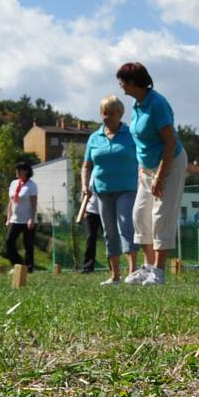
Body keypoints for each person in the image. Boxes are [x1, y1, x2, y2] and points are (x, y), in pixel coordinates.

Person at [116, 62, 188, 286]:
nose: (120, 86)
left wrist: (159, 176)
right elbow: (141, 141)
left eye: (122, 81)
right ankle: (147, 267)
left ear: (133, 82)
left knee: (160, 215)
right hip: (147, 169)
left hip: (169, 164)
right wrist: (142, 168)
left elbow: (170, 142)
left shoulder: (157, 104)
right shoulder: (138, 105)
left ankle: (158, 271)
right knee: (139, 214)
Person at [81, 95, 139, 285]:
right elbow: (86, 165)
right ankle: (114, 275)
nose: (107, 117)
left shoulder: (131, 134)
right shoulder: (94, 138)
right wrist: (84, 185)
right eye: (104, 113)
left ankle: (132, 272)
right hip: (102, 191)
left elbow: (143, 158)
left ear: (120, 114)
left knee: (126, 227)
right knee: (109, 232)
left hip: (126, 189)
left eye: (111, 113)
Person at [6, 162, 38, 272]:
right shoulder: (13, 183)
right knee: (9, 241)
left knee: (28, 245)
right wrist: (8, 217)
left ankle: (29, 269)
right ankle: (17, 265)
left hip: (28, 220)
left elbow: (34, 203)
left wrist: (32, 218)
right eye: (16, 170)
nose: (17, 172)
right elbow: (11, 201)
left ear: (26, 171)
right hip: (15, 219)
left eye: (19, 170)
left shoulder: (31, 185)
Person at [81, 192, 102, 273]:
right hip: (91, 211)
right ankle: (88, 267)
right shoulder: (88, 181)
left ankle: (113, 267)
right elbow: (84, 194)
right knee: (90, 237)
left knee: (109, 237)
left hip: (106, 210)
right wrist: (84, 210)